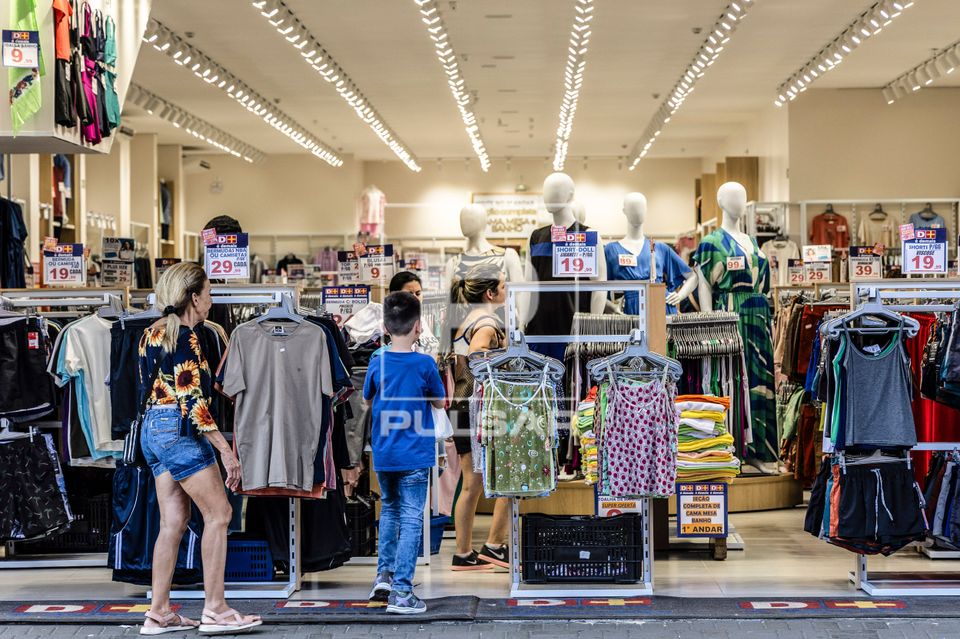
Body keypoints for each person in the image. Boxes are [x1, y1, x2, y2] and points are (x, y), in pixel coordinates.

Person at [137, 262, 262, 636]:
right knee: (220, 513)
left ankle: (157, 613)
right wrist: (225, 450)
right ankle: (217, 609)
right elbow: (193, 401)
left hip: (153, 429)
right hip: (179, 429)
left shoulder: (151, 332)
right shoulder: (187, 336)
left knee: (172, 522)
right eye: (208, 293)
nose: (211, 300)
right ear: (194, 297)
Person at [364, 292, 446, 614]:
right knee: (412, 517)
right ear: (418, 327)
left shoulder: (376, 361)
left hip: (384, 451)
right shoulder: (425, 364)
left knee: (390, 510)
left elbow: (368, 399)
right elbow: (440, 402)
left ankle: (383, 577)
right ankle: (401, 591)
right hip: (414, 452)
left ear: (385, 326)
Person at [446, 264, 511, 570]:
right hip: (477, 407)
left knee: (471, 484)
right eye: (503, 285)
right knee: (507, 477)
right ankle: (495, 545)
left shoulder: (464, 320)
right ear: (490, 293)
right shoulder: (486, 322)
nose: (507, 289)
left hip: (460, 405)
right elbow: (477, 354)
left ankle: (463, 552)